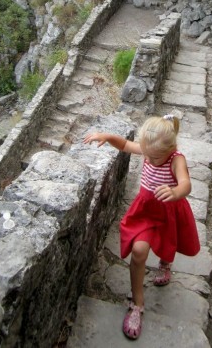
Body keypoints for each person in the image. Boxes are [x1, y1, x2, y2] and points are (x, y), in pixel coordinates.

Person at [83, 114, 200, 340]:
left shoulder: (177, 159)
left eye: (154, 157)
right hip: (146, 213)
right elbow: (126, 145)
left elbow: (185, 183)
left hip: (168, 211)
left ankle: (165, 264)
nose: (148, 158)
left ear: (171, 148)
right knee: (139, 251)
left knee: (168, 243)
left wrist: (176, 192)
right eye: (147, 154)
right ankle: (137, 303)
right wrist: (107, 136)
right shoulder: (150, 149)